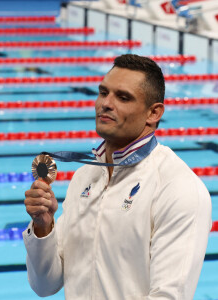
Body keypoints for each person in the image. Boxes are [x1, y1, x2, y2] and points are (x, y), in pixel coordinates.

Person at [23, 54, 212, 299]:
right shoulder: (85, 176)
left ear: (153, 113)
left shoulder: (178, 188)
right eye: (103, 93)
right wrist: (43, 227)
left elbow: (168, 295)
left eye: (123, 97)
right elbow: (45, 285)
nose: (106, 103)